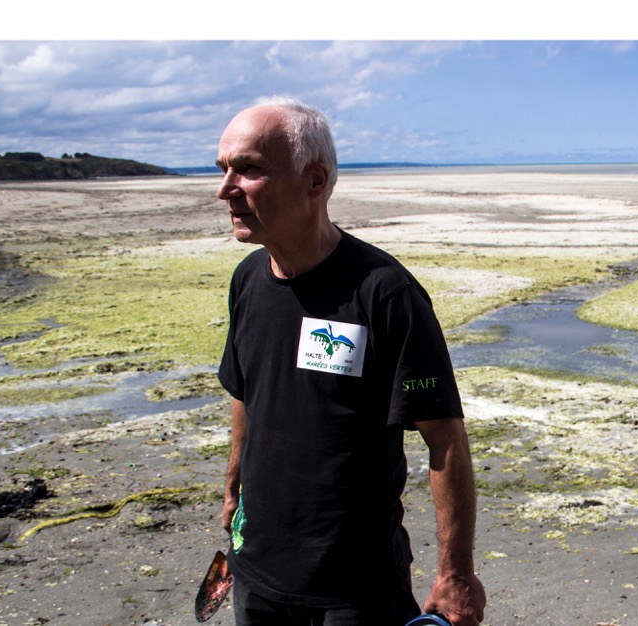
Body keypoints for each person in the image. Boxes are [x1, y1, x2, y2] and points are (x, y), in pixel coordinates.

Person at [214, 95, 486, 626]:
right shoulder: (248, 281)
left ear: (315, 181)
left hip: (355, 589)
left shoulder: (384, 294)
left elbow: (445, 440)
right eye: (223, 169)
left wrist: (454, 575)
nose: (226, 189)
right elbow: (246, 391)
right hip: (258, 574)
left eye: (248, 169)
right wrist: (233, 485)